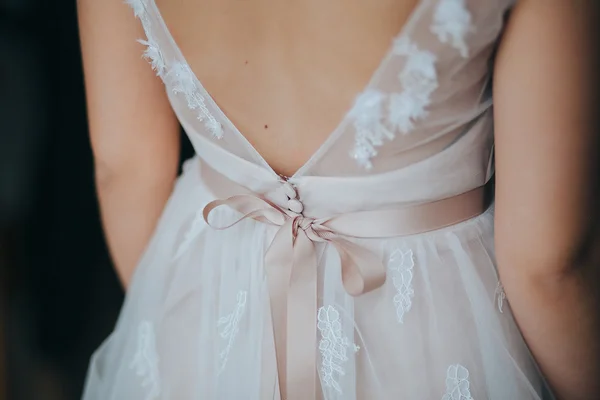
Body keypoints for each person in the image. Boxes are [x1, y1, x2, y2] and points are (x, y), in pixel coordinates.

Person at [77, 0, 598, 398]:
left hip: (206, 298)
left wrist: (175, 317)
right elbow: (548, 266)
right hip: (429, 330)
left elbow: (125, 167)